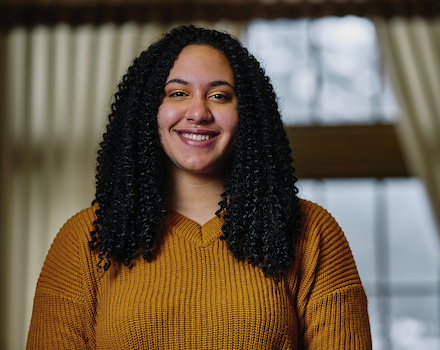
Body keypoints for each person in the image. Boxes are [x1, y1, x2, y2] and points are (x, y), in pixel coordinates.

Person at [26, 25, 372, 349]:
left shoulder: (311, 231)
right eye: (178, 93)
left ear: (246, 114)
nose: (198, 112)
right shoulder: (85, 238)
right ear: (149, 110)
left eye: (219, 96)